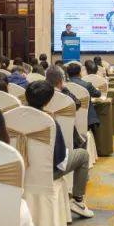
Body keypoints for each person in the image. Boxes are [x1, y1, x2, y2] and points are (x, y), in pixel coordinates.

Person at [25, 79, 93, 218]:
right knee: (83, 155)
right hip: (47, 173)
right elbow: (60, 159)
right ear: (48, 101)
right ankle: (78, 201)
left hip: (20, 171)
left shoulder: (12, 118)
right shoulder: (50, 122)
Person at [66, 62, 102, 130]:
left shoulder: (63, 86)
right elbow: (98, 94)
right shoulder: (87, 85)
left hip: (68, 118)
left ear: (67, 74)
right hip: (87, 119)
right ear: (80, 73)